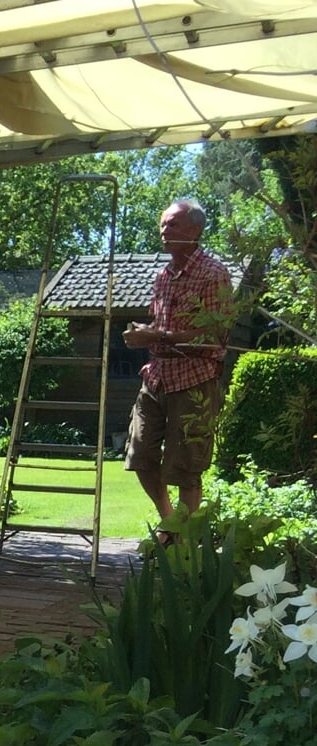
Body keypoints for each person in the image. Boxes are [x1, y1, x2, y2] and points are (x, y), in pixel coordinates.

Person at [121, 198, 233, 538]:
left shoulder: (213, 275)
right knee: (139, 455)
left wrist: (160, 335)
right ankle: (170, 522)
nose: (163, 231)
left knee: (186, 467)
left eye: (172, 224)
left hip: (195, 379)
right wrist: (146, 332)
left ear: (195, 230)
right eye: (162, 225)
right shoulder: (163, 276)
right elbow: (163, 325)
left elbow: (216, 335)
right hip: (156, 377)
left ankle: (183, 541)